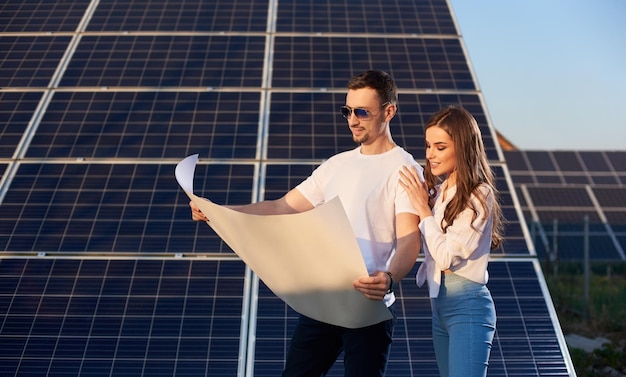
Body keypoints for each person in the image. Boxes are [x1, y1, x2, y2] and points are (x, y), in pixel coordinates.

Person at [190, 70, 422, 376]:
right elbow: (282, 206)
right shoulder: (337, 164)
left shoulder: (405, 169)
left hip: (368, 309)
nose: (353, 120)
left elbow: (409, 239)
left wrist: (390, 277)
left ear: (389, 111)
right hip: (323, 303)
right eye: (347, 111)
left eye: (362, 112)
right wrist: (219, 211)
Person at [399, 105, 503, 377]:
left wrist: (423, 209)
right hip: (440, 306)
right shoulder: (441, 192)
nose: (430, 154)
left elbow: (445, 256)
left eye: (440, 147)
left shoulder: (479, 195)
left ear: (464, 148)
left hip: (468, 307)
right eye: (428, 145)